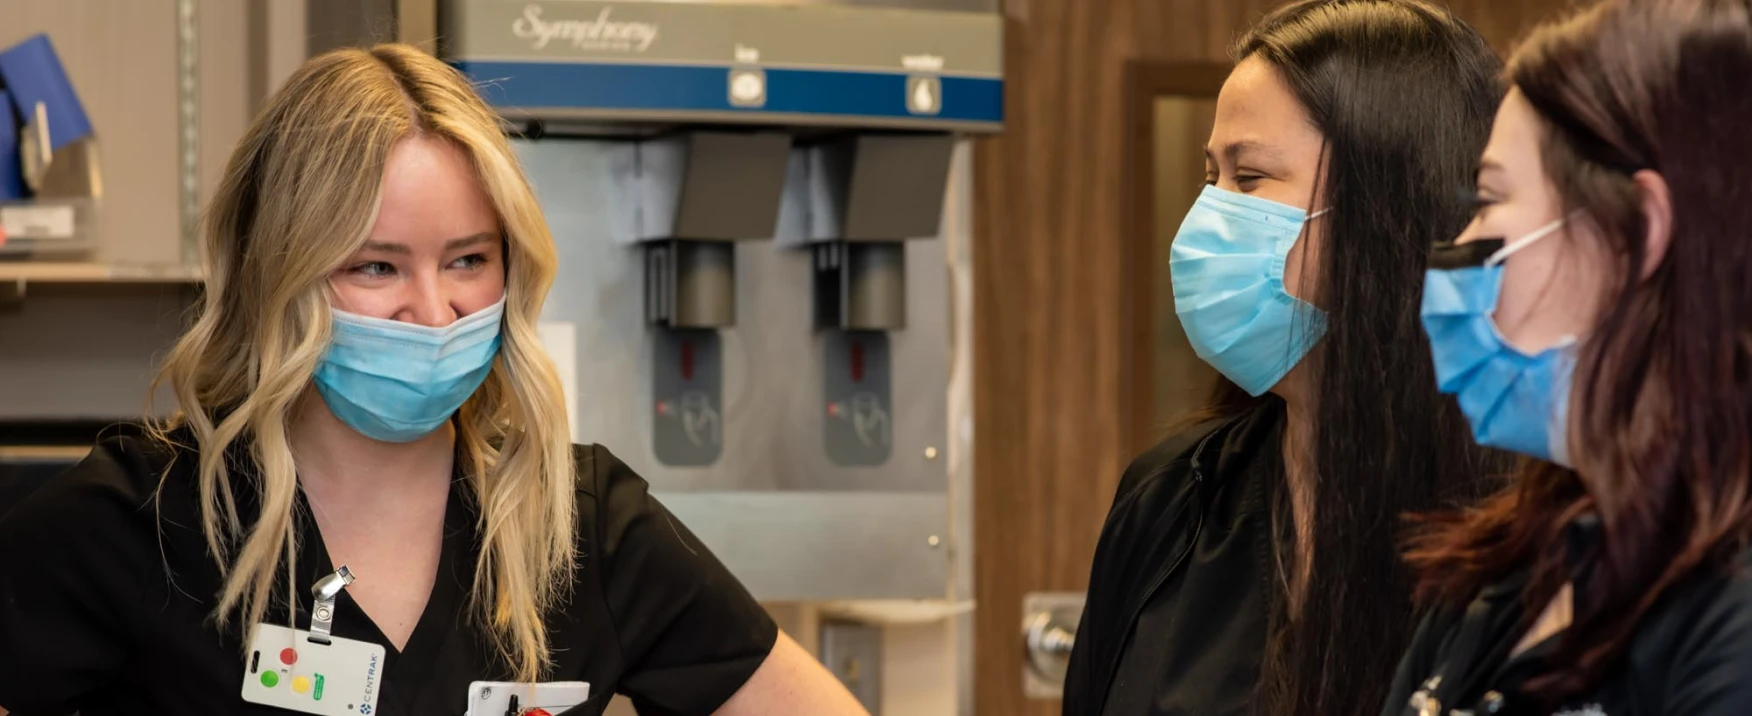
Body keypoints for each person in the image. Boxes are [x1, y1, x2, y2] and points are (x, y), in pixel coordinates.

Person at [0, 45, 868, 716]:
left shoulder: (582, 525)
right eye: (377, 267)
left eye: (467, 260)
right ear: (280, 274)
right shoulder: (147, 523)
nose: (435, 309)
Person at [1062, 2, 1509, 714]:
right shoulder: (1172, 501)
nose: (1208, 214)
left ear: (1385, 214)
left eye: (1249, 179)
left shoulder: (1522, 522)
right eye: (1210, 175)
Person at [1386, 0, 1752, 713]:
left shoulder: (1729, 622)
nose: (1462, 240)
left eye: (1490, 199)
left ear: (1635, 235)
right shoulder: (1499, 577)